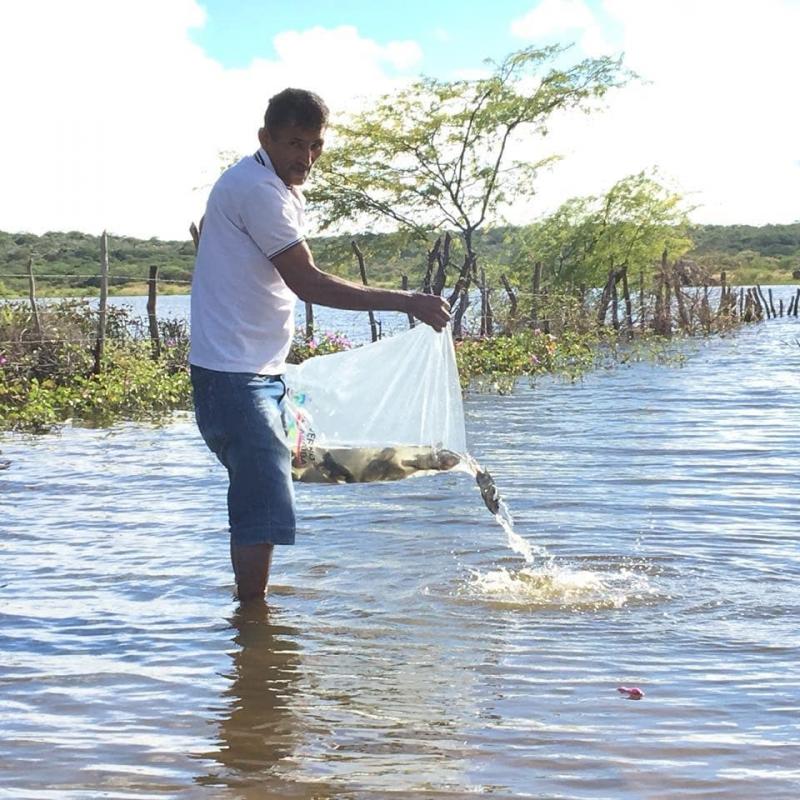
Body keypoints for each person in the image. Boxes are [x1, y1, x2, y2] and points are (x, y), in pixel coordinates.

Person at [189, 87, 451, 603]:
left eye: (314, 145)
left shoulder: (271, 186)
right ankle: (253, 618)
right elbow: (307, 283)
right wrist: (407, 301)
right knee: (261, 496)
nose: (304, 157)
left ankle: (255, 641)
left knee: (270, 485)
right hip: (233, 375)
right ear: (266, 138)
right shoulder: (260, 189)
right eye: (293, 143)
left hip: (257, 371)